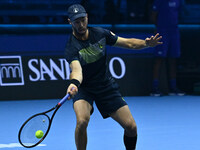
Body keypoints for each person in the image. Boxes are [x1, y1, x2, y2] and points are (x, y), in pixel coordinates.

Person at [65, 4, 162, 150]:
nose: (81, 24)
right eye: (76, 21)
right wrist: (73, 84)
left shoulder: (100, 34)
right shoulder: (71, 47)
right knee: (82, 121)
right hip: (84, 89)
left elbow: (128, 43)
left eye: (82, 20)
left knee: (131, 127)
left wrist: (146, 43)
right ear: (70, 22)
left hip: (105, 86)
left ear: (87, 18)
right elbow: (77, 71)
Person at [150, 0, 185, 96]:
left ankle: (173, 88)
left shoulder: (178, 1)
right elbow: (153, 16)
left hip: (174, 31)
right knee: (159, 59)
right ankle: (154, 88)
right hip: (162, 32)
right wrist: (159, 28)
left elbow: (179, 14)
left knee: (173, 59)